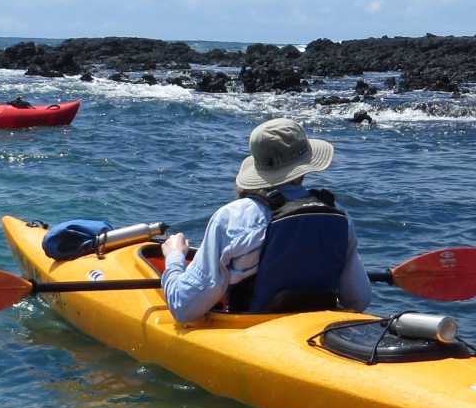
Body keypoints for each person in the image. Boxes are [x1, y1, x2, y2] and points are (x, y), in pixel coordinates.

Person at [158, 118, 373, 322]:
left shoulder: (231, 218)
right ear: (305, 167)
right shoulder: (338, 216)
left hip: (252, 335)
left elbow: (184, 307)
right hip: (311, 332)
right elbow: (358, 300)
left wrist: (175, 258)